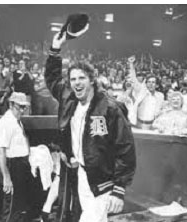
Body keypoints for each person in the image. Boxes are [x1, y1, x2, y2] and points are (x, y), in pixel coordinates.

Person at [45, 32, 136, 222]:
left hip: (104, 181)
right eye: (73, 79)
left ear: (92, 80)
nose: (77, 83)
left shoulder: (110, 108)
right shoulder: (69, 98)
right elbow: (52, 78)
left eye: (82, 78)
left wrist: (119, 190)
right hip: (82, 173)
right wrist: (55, 49)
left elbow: (125, 149)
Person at [0, 92, 43, 221]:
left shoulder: (17, 121)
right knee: (11, 207)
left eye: (24, 107)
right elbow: (0, 151)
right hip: (12, 166)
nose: (22, 110)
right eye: (19, 107)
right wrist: (6, 177)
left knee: (20, 205)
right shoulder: (5, 122)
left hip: (21, 165)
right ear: (10, 104)